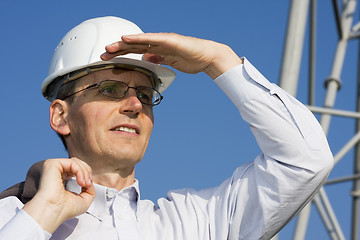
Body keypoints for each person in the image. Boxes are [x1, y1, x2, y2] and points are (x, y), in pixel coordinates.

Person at [0, 16, 333, 240]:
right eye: (110, 90)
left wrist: (218, 61)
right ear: (60, 116)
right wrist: (46, 211)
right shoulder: (16, 217)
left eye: (144, 94)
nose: (134, 105)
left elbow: (305, 160)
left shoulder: (196, 222)